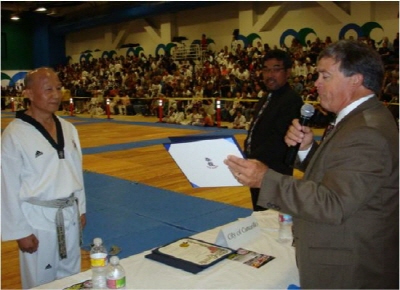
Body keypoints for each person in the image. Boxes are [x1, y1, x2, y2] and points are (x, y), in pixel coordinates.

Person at [224, 40, 399, 289]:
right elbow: (340, 173)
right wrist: (307, 150)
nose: (316, 83)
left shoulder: (367, 132)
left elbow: (333, 203)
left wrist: (266, 179)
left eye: (325, 75)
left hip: (350, 269)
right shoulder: (361, 120)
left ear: (355, 80)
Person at [1, 67, 87, 289]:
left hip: (68, 214)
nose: (56, 95)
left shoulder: (68, 128)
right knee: (40, 282)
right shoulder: (14, 134)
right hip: (36, 220)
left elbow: (76, 171)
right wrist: (20, 231)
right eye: (48, 89)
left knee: (72, 277)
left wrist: (81, 209)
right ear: (28, 93)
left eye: (58, 88)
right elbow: (7, 186)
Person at [244, 49, 303, 211]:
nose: (270, 74)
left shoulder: (291, 100)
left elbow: (280, 140)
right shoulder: (265, 98)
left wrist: (254, 158)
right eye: (266, 69)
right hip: (256, 169)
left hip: (274, 173)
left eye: (276, 69)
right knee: (260, 216)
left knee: (273, 221)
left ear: (287, 72)